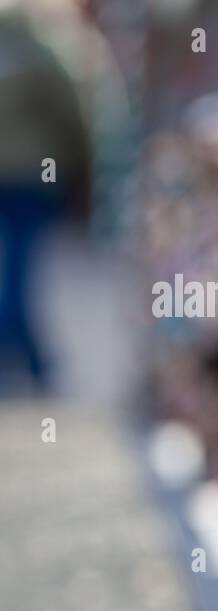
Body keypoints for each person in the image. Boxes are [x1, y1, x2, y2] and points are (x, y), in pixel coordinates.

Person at [0, 1, 89, 391]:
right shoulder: (40, 51)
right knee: (22, 267)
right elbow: (71, 112)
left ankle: (21, 352)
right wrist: (82, 170)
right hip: (34, 178)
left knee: (16, 269)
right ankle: (30, 359)